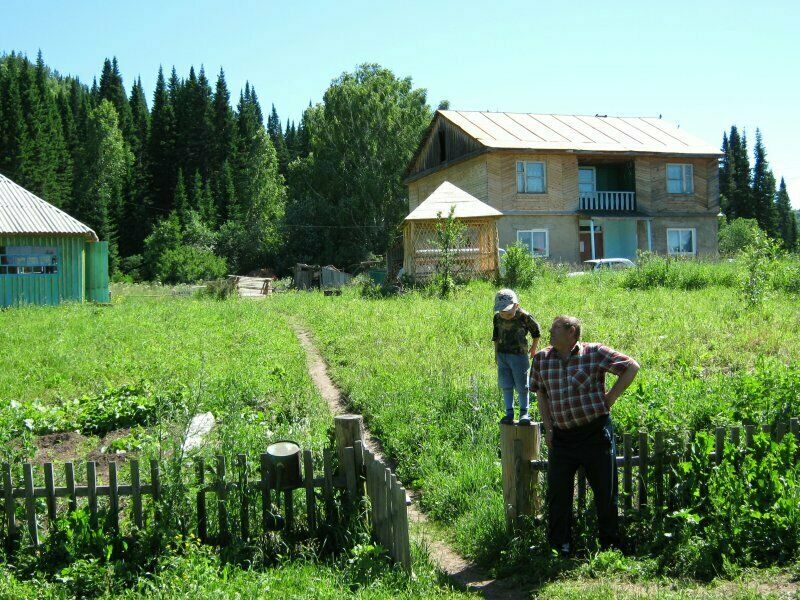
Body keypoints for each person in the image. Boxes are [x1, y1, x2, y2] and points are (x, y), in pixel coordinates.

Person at [530, 315, 639, 556]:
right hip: (563, 438)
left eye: (555, 328)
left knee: (605, 491)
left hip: (594, 433)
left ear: (571, 332)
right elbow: (541, 394)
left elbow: (631, 367)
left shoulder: (594, 353)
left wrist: (609, 398)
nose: (549, 332)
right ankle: (560, 546)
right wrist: (548, 428)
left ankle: (610, 546)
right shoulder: (541, 360)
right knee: (558, 494)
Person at [492, 288, 541, 426]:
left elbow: (536, 332)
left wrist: (533, 348)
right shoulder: (497, 318)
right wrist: (496, 354)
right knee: (506, 384)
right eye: (502, 311)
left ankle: (524, 412)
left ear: (516, 306)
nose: (505, 314)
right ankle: (509, 412)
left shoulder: (524, 316)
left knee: (522, 385)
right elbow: (495, 337)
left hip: (519, 355)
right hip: (503, 355)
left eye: (508, 311)